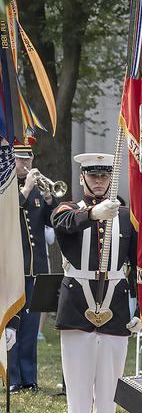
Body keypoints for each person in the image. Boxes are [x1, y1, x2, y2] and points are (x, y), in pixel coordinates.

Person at [52, 153, 139, 413]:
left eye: (104, 176)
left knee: (109, 393)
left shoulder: (127, 217)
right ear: (82, 178)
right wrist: (92, 213)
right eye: (93, 176)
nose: (99, 181)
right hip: (78, 305)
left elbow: (138, 265)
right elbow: (63, 224)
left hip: (115, 306)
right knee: (78, 394)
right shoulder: (67, 209)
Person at [6, 138, 58, 392]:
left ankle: (29, 379)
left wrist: (49, 199)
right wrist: (25, 190)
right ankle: (13, 378)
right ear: (10, 160)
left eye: (28, 159)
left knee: (30, 327)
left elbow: (54, 222)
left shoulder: (37, 190)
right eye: (20, 159)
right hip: (12, 269)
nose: (25, 163)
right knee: (12, 325)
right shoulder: (6, 189)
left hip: (35, 268)